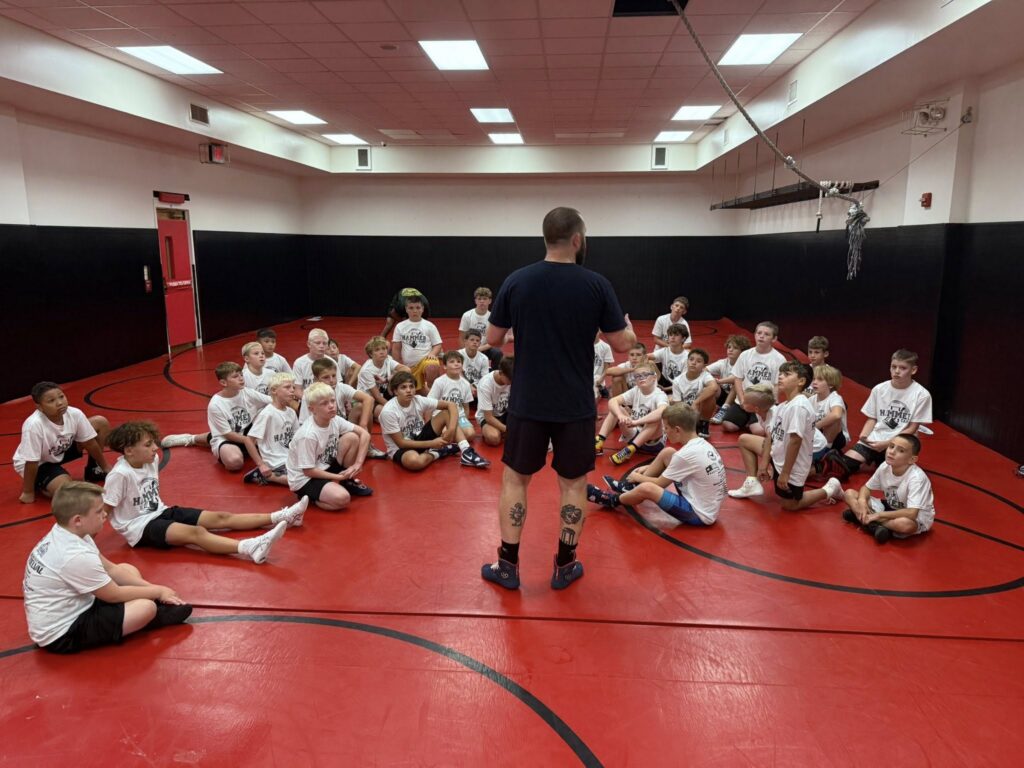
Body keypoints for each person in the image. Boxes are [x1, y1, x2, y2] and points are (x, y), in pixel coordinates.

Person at [481, 206, 635, 591]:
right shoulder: (596, 284)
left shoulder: (517, 281)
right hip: (575, 404)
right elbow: (621, 345)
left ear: (545, 238)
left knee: (516, 480)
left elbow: (494, 338)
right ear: (578, 240)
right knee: (573, 483)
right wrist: (628, 330)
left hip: (529, 401)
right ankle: (565, 565)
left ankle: (508, 566)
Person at [23, 481, 192, 654]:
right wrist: (157, 592)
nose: (105, 514)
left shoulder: (70, 532)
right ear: (78, 520)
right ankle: (154, 617)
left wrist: (155, 589)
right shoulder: (73, 555)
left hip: (78, 602)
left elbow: (112, 569)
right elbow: (114, 595)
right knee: (145, 608)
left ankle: (146, 609)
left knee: (127, 569)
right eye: (98, 511)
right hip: (63, 632)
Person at [102, 422, 299, 561]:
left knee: (221, 517)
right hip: (139, 528)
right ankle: (249, 547)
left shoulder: (150, 460)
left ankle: (280, 516)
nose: (155, 448)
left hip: (160, 511)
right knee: (195, 533)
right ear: (128, 451)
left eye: (153, 442)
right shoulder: (120, 475)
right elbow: (104, 510)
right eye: (148, 445)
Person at [586, 403, 726, 527]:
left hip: (699, 515)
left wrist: (637, 477)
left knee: (648, 488)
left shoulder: (685, 455)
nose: (664, 431)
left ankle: (612, 500)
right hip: (705, 503)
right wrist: (648, 468)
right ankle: (630, 488)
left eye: (666, 428)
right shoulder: (701, 444)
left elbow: (659, 484)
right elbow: (682, 465)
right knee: (668, 452)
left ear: (677, 430)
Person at [728, 364, 844, 511]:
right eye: (781, 373)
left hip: (795, 462)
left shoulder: (798, 407)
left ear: (801, 382)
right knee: (745, 439)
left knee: (790, 505)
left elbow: (795, 441)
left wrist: (785, 473)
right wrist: (764, 464)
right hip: (780, 455)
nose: (781, 376)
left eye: (787, 374)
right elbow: (771, 437)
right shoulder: (783, 405)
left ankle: (830, 488)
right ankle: (752, 482)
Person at [821, 349, 933, 482]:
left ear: (913, 370)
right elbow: (872, 418)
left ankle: (882, 460)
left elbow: (912, 428)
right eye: (894, 367)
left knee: (894, 476)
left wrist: (887, 443)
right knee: (843, 465)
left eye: (902, 368)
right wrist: (864, 436)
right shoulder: (879, 389)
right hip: (876, 439)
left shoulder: (921, 394)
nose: (897, 371)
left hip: (900, 443)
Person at [14, 381, 112, 504]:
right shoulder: (33, 425)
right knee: (67, 490)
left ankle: (94, 470)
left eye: (61, 396)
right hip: (40, 462)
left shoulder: (74, 413)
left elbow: (89, 442)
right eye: (51, 401)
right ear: (40, 407)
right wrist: (28, 492)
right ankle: (41, 484)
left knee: (100, 422)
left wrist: (105, 467)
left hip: (59, 449)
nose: (60, 402)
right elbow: (31, 462)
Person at [286, 382, 373, 510]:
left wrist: (358, 464)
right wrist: (338, 477)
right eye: (324, 403)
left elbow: (364, 434)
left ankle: (346, 481)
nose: (331, 406)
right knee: (343, 499)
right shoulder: (308, 435)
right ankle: (309, 498)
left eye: (332, 401)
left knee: (352, 438)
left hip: (324, 464)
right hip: (305, 479)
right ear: (312, 409)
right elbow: (308, 471)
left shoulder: (334, 419)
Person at [380, 370, 488, 470]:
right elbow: (402, 443)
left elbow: (451, 405)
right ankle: (440, 452)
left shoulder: (418, 400)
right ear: (395, 391)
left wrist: (451, 430)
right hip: (401, 448)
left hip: (420, 436)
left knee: (446, 413)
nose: (409, 390)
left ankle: (466, 451)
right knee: (415, 462)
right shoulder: (389, 411)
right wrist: (431, 443)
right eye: (403, 387)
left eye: (411, 386)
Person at [840, 433, 935, 543]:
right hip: (891, 507)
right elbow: (866, 488)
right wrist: (862, 501)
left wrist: (878, 515)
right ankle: (875, 525)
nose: (892, 451)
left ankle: (863, 519)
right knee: (849, 493)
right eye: (891, 446)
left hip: (915, 517)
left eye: (901, 450)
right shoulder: (885, 466)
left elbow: (911, 513)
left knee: (904, 525)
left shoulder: (917, 478)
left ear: (912, 459)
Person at [720, 321, 787, 434]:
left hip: (762, 403)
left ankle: (752, 421)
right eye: (759, 333)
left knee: (758, 431)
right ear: (755, 335)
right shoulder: (745, 355)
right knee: (728, 425)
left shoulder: (779, 359)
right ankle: (747, 419)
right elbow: (738, 379)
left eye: (766, 334)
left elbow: (777, 385)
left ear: (774, 339)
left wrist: (769, 404)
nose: (761, 336)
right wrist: (742, 400)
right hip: (745, 400)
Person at [595, 363, 669, 463]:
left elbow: (662, 411)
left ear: (654, 377)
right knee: (617, 408)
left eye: (645, 375)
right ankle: (599, 441)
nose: (641, 378)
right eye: (638, 376)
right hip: (634, 434)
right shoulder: (636, 390)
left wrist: (636, 422)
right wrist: (620, 415)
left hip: (652, 442)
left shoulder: (660, 395)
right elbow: (612, 401)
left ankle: (630, 449)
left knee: (655, 419)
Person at [206, 362, 271, 472]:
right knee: (234, 462)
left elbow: (272, 401)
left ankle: (195, 438)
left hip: (245, 431)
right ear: (223, 382)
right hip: (227, 437)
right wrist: (249, 442)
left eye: (241, 375)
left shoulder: (246, 391)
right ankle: (192, 439)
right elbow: (228, 434)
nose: (241, 378)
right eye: (235, 376)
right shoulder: (215, 404)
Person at [243, 372, 299, 486]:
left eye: (293, 387)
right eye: (287, 387)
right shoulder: (267, 414)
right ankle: (268, 476)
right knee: (298, 481)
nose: (292, 390)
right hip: (275, 461)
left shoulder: (291, 412)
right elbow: (248, 440)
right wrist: (261, 464)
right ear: (274, 391)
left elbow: (297, 438)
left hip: (290, 458)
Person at [391, 294, 443, 394]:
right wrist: (397, 366)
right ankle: (425, 390)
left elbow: (437, 344)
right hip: (409, 366)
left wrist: (432, 354)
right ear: (406, 309)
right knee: (415, 393)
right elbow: (396, 348)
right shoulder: (400, 326)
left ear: (422, 309)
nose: (415, 311)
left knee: (432, 366)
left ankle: (434, 391)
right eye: (411, 308)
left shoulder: (429, 326)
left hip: (425, 362)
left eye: (418, 307)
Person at [669, 348, 720, 437]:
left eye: (698, 361)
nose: (693, 363)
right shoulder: (677, 381)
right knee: (669, 402)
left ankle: (704, 424)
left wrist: (696, 402)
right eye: (691, 359)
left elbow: (714, 387)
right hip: (686, 412)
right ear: (687, 361)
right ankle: (690, 426)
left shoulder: (705, 376)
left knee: (709, 393)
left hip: (699, 411)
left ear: (704, 366)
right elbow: (678, 405)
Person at [356, 335, 406, 422]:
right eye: (377, 350)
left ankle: (377, 415)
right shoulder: (367, 370)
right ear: (371, 354)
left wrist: (388, 380)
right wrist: (395, 408)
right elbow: (377, 397)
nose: (382, 352)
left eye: (384, 349)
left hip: (385, 393)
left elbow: (406, 370)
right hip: (370, 400)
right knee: (392, 416)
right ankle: (372, 415)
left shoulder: (388, 359)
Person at [428, 350, 477, 440]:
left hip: (460, 416)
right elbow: (430, 403)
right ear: (445, 366)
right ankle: (455, 438)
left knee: (470, 434)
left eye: (459, 361)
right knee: (445, 434)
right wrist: (428, 426)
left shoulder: (465, 384)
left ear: (462, 366)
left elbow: (466, 407)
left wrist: (464, 420)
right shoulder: (439, 382)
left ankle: (454, 438)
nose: (456, 364)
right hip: (443, 416)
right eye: (452, 362)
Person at [708, 334, 751, 424]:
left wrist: (719, 381)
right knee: (711, 384)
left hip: (739, 399)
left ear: (742, 352)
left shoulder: (746, 364)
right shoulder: (723, 363)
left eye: (735, 348)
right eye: (729, 347)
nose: (730, 350)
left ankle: (724, 409)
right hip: (724, 397)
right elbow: (704, 370)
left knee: (736, 383)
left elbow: (736, 378)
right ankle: (708, 409)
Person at [459, 287, 503, 369]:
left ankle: (493, 373)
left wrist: (479, 349)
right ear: (475, 301)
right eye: (479, 299)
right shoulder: (467, 315)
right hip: (469, 347)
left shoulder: (493, 317)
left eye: (485, 299)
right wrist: (465, 351)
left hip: (484, 348)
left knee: (498, 353)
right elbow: (462, 337)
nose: (482, 301)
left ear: (490, 301)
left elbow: (493, 341)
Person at [808, 364, 849, 452]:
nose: (814, 382)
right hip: (817, 433)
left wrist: (816, 426)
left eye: (820, 380)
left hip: (836, 438)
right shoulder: (811, 399)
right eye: (814, 379)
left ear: (830, 385)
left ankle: (826, 448)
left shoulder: (835, 398)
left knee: (833, 420)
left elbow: (836, 415)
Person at [477, 356, 514, 446]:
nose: (512, 382)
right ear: (501, 373)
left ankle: (503, 431)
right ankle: (495, 431)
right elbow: (488, 417)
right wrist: (509, 430)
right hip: (489, 416)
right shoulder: (486, 384)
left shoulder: (514, 378)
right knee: (493, 438)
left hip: (507, 413)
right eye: (509, 379)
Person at [651, 323, 690, 392]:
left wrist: (665, 389)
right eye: (671, 335)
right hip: (664, 382)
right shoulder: (665, 351)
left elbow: (684, 383)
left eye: (676, 335)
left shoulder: (687, 357)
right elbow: (646, 357)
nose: (672, 337)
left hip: (679, 387)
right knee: (649, 362)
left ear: (683, 339)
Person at [593, 332, 615, 399]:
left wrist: (601, 379)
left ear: (599, 331)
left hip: (597, 378)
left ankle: (600, 390)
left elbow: (606, 368)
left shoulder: (605, 347)